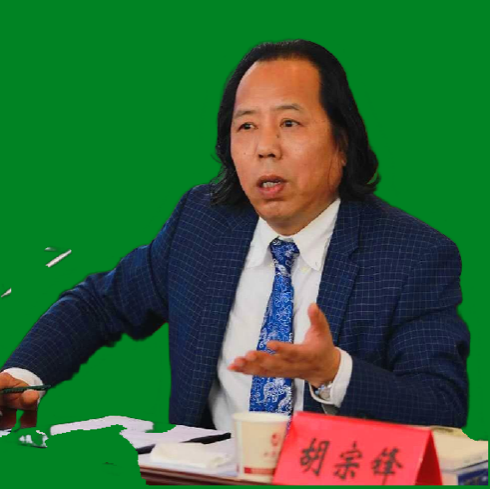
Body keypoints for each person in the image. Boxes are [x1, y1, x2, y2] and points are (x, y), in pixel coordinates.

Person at [0, 40, 470, 432]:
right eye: (246, 126)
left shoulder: (414, 255)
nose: (265, 147)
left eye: (289, 123)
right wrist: (22, 375)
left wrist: (334, 373)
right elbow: (100, 304)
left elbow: (441, 403)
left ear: (342, 142)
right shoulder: (204, 224)